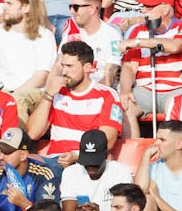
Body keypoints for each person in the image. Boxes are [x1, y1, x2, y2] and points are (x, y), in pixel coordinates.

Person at [31, 40, 124, 168]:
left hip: (86, 161)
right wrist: (48, 96)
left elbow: (108, 141)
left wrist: (77, 155)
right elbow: (33, 133)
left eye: (69, 66)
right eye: (63, 66)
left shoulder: (107, 95)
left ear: (87, 68)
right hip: (54, 160)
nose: (64, 72)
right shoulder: (57, 92)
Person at [119, 0, 182, 124]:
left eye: (149, 7)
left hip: (176, 89)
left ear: (165, 9)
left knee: (177, 107)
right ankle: (135, 145)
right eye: (143, 6)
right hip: (144, 89)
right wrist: (126, 90)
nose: (144, 10)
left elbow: (175, 46)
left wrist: (138, 43)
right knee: (124, 106)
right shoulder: (138, 31)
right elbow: (129, 68)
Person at [0, 0, 56, 116]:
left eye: (9, 4)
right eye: (4, 2)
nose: (3, 7)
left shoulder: (45, 36)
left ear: (26, 7)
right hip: (4, 91)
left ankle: (18, 136)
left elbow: (41, 77)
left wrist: (12, 97)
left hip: (34, 93)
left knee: (16, 103)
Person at [58, 128, 133, 211]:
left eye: (95, 162)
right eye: (87, 163)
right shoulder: (71, 172)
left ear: (106, 154)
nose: (91, 167)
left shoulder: (121, 172)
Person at [62, 0, 123, 87]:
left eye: (76, 7)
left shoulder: (112, 35)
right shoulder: (71, 29)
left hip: (100, 92)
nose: (72, 11)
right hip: (72, 89)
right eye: (71, 7)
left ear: (92, 9)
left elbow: (109, 78)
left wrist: (87, 93)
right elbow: (58, 65)